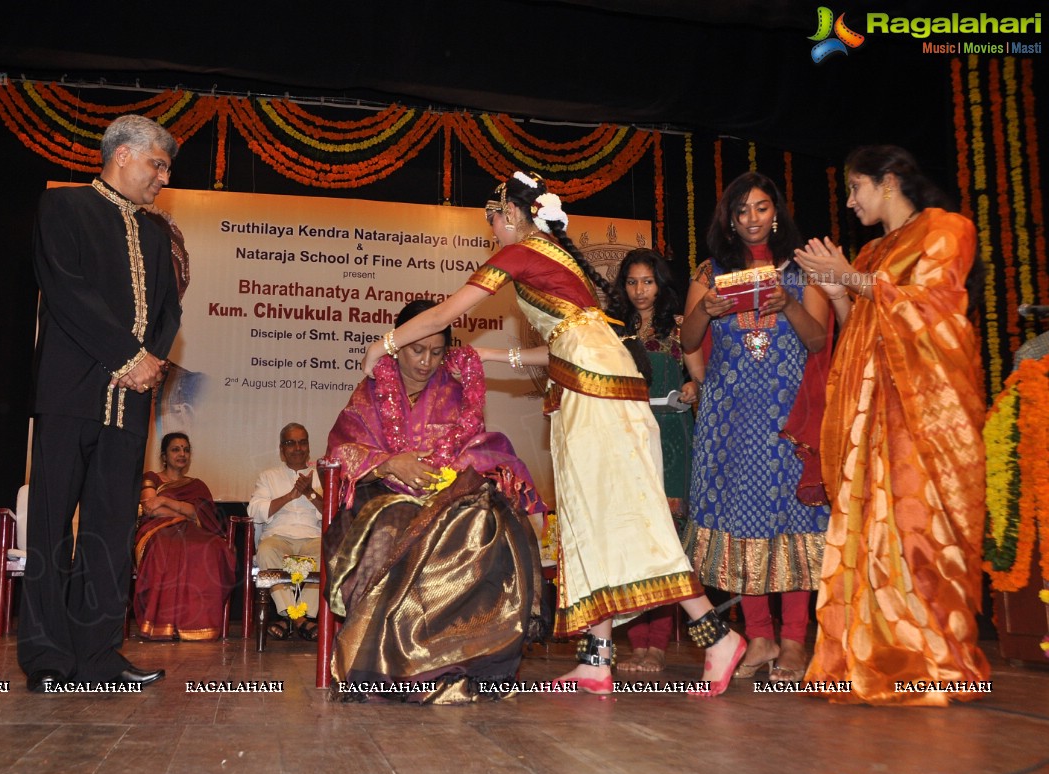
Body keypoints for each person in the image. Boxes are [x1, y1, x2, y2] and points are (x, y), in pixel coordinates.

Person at [363, 175, 747, 697]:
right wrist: (491, 356)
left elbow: (448, 313)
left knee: (630, 513)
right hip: (589, 388)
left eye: (493, 217)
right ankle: (597, 659)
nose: (492, 227)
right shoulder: (554, 261)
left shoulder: (522, 254)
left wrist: (384, 343)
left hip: (595, 394)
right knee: (589, 517)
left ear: (514, 214)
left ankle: (716, 635)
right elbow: (564, 342)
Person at [793, 145, 990, 704]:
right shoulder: (874, 250)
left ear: (889, 181)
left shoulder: (946, 228)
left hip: (923, 415)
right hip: (874, 418)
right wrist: (839, 292)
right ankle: (875, 655)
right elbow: (862, 331)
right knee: (872, 530)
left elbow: (936, 309)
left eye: (857, 188)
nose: (852, 202)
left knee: (919, 527)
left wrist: (854, 280)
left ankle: (936, 660)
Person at [19, 114, 181, 692]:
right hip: (70, 393)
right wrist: (127, 356)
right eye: (157, 164)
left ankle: (98, 658)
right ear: (123, 155)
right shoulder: (63, 208)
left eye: (165, 168)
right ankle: (47, 657)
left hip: (130, 403)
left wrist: (151, 361)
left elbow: (169, 313)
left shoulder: (158, 234)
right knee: (51, 525)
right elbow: (66, 290)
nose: (162, 178)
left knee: (112, 529)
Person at [326, 299, 548, 703]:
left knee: (487, 522)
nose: (427, 362)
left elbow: (480, 445)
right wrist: (389, 463)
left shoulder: (456, 390)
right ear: (397, 346)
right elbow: (341, 450)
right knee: (394, 529)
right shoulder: (371, 391)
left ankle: (460, 658)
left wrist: (464, 468)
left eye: (437, 351)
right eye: (417, 350)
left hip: (447, 498)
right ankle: (379, 661)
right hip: (384, 498)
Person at [678, 171, 832, 684]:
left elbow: (814, 343)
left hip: (787, 414)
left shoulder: (801, 271)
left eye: (761, 208)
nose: (751, 219)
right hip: (730, 416)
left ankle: (794, 641)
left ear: (777, 213)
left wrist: (787, 303)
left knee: (792, 519)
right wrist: (706, 307)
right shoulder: (710, 271)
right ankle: (759, 636)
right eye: (741, 210)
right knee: (742, 521)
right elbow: (689, 340)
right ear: (728, 217)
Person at [608, 248, 701, 673]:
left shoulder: (682, 328)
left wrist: (691, 388)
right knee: (632, 540)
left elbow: (702, 376)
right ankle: (637, 642)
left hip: (672, 440)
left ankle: (658, 645)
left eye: (647, 281)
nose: (639, 290)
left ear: (660, 284)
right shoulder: (612, 331)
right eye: (631, 282)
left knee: (666, 541)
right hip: (627, 441)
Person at [133, 433, 234, 640]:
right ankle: (163, 624)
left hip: (191, 532)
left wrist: (167, 502)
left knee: (213, 547)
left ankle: (197, 624)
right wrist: (185, 512)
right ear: (164, 455)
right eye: (175, 449)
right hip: (157, 531)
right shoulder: (151, 477)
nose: (182, 454)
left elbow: (202, 515)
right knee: (167, 547)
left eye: (186, 450)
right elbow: (151, 509)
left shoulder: (198, 486)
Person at [247, 423, 324, 641]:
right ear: (282, 450)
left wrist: (309, 493)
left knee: (328, 552)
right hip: (279, 537)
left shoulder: (322, 475)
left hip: (312, 537)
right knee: (265, 550)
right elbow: (255, 510)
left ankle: (291, 618)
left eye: (302, 442)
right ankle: (302, 621)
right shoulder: (268, 477)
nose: (297, 448)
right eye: (291, 443)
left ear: (308, 447)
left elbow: (332, 513)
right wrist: (290, 496)